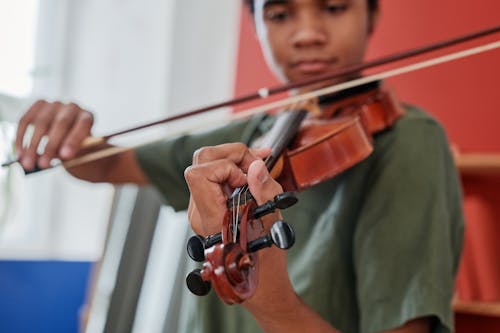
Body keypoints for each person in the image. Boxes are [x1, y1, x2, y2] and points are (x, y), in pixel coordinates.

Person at [14, 0, 464, 332]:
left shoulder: (405, 143)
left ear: (371, 15)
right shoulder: (257, 133)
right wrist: (72, 136)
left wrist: (268, 298)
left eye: (333, 7)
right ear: (256, 25)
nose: (307, 34)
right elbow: (111, 166)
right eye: (280, 14)